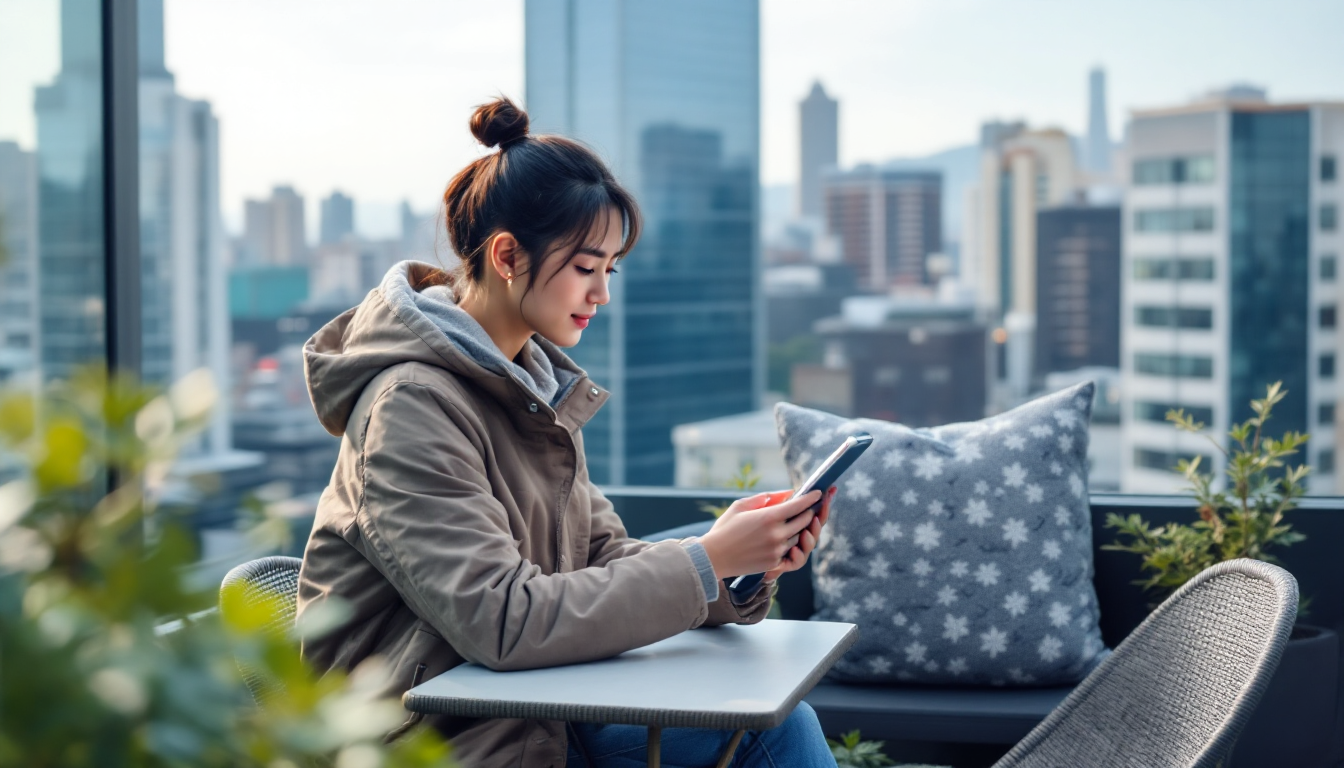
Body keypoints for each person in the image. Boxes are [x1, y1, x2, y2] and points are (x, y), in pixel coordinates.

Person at [297, 97, 838, 767]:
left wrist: (738, 567)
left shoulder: (530, 386)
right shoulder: (411, 407)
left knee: (776, 726)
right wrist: (706, 560)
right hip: (437, 739)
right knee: (768, 735)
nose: (601, 294)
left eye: (609, 270)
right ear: (507, 255)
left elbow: (599, 555)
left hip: (537, 709)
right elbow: (502, 620)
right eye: (585, 268)